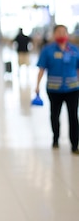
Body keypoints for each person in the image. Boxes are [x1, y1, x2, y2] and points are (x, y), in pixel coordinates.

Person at [35, 24, 79, 154]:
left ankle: (75, 144)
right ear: (54, 35)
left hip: (72, 89)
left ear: (67, 34)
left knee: (73, 116)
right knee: (55, 115)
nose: (61, 34)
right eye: (59, 32)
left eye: (64, 32)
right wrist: (37, 85)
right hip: (54, 90)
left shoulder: (74, 50)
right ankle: (55, 139)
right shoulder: (47, 50)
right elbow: (41, 68)